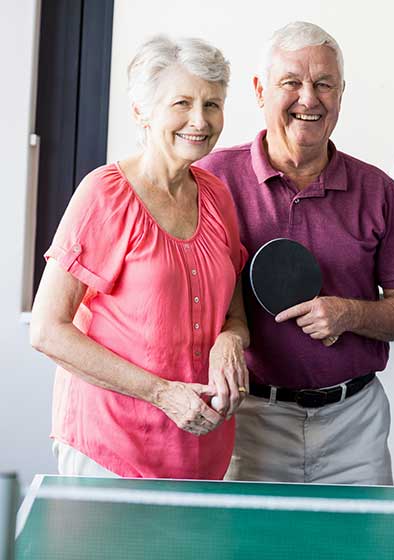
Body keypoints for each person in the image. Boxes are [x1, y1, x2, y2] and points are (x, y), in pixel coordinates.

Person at [198, 22, 394, 485]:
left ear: (341, 93)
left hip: (354, 426)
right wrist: (224, 338)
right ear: (260, 90)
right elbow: (186, 293)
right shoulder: (211, 178)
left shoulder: (376, 188)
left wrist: (348, 313)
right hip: (251, 419)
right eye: (291, 83)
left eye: (324, 83)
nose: (309, 98)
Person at [29, 36, 249, 479]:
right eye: (181, 103)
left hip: (200, 446)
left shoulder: (217, 196)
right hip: (112, 448)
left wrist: (231, 340)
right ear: (141, 112)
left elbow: (235, 315)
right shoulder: (104, 194)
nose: (199, 120)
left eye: (212, 104)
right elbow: (47, 330)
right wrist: (162, 393)